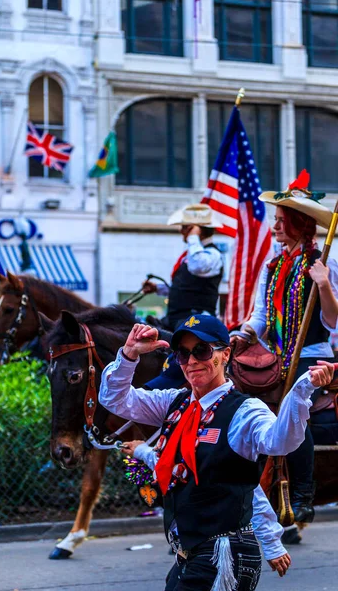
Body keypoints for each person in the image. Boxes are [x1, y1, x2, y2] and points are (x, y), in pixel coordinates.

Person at [99, 316, 333, 591]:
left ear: (225, 354)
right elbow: (115, 399)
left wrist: (302, 389)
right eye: (183, 354)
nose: (191, 361)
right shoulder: (175, 403)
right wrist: (128, 356)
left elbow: (279, 442)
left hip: (225, 555)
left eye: (202, 350)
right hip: (189, 554)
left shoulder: (245, 411)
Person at [236, 170, 338, 524]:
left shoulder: (322, 263)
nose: (275, 227)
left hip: (313, 358)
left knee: (294, 412)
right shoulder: (274, 264)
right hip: (278, 357)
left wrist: (324, 285)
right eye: (276, 220)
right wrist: (244, 334)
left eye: (281, 220)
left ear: (298, 223)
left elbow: (332, 321)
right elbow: (263, 316)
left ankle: (303, 493)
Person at [143, 204, 224, 331]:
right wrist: (157, 288)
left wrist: (193, 237)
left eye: (186, 227)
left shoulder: (212, 255)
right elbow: (186, 289)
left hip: (195, 322)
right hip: (176, 319)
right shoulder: (192, 255)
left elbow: (198, 266)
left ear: (197, 230)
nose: (181, 231)